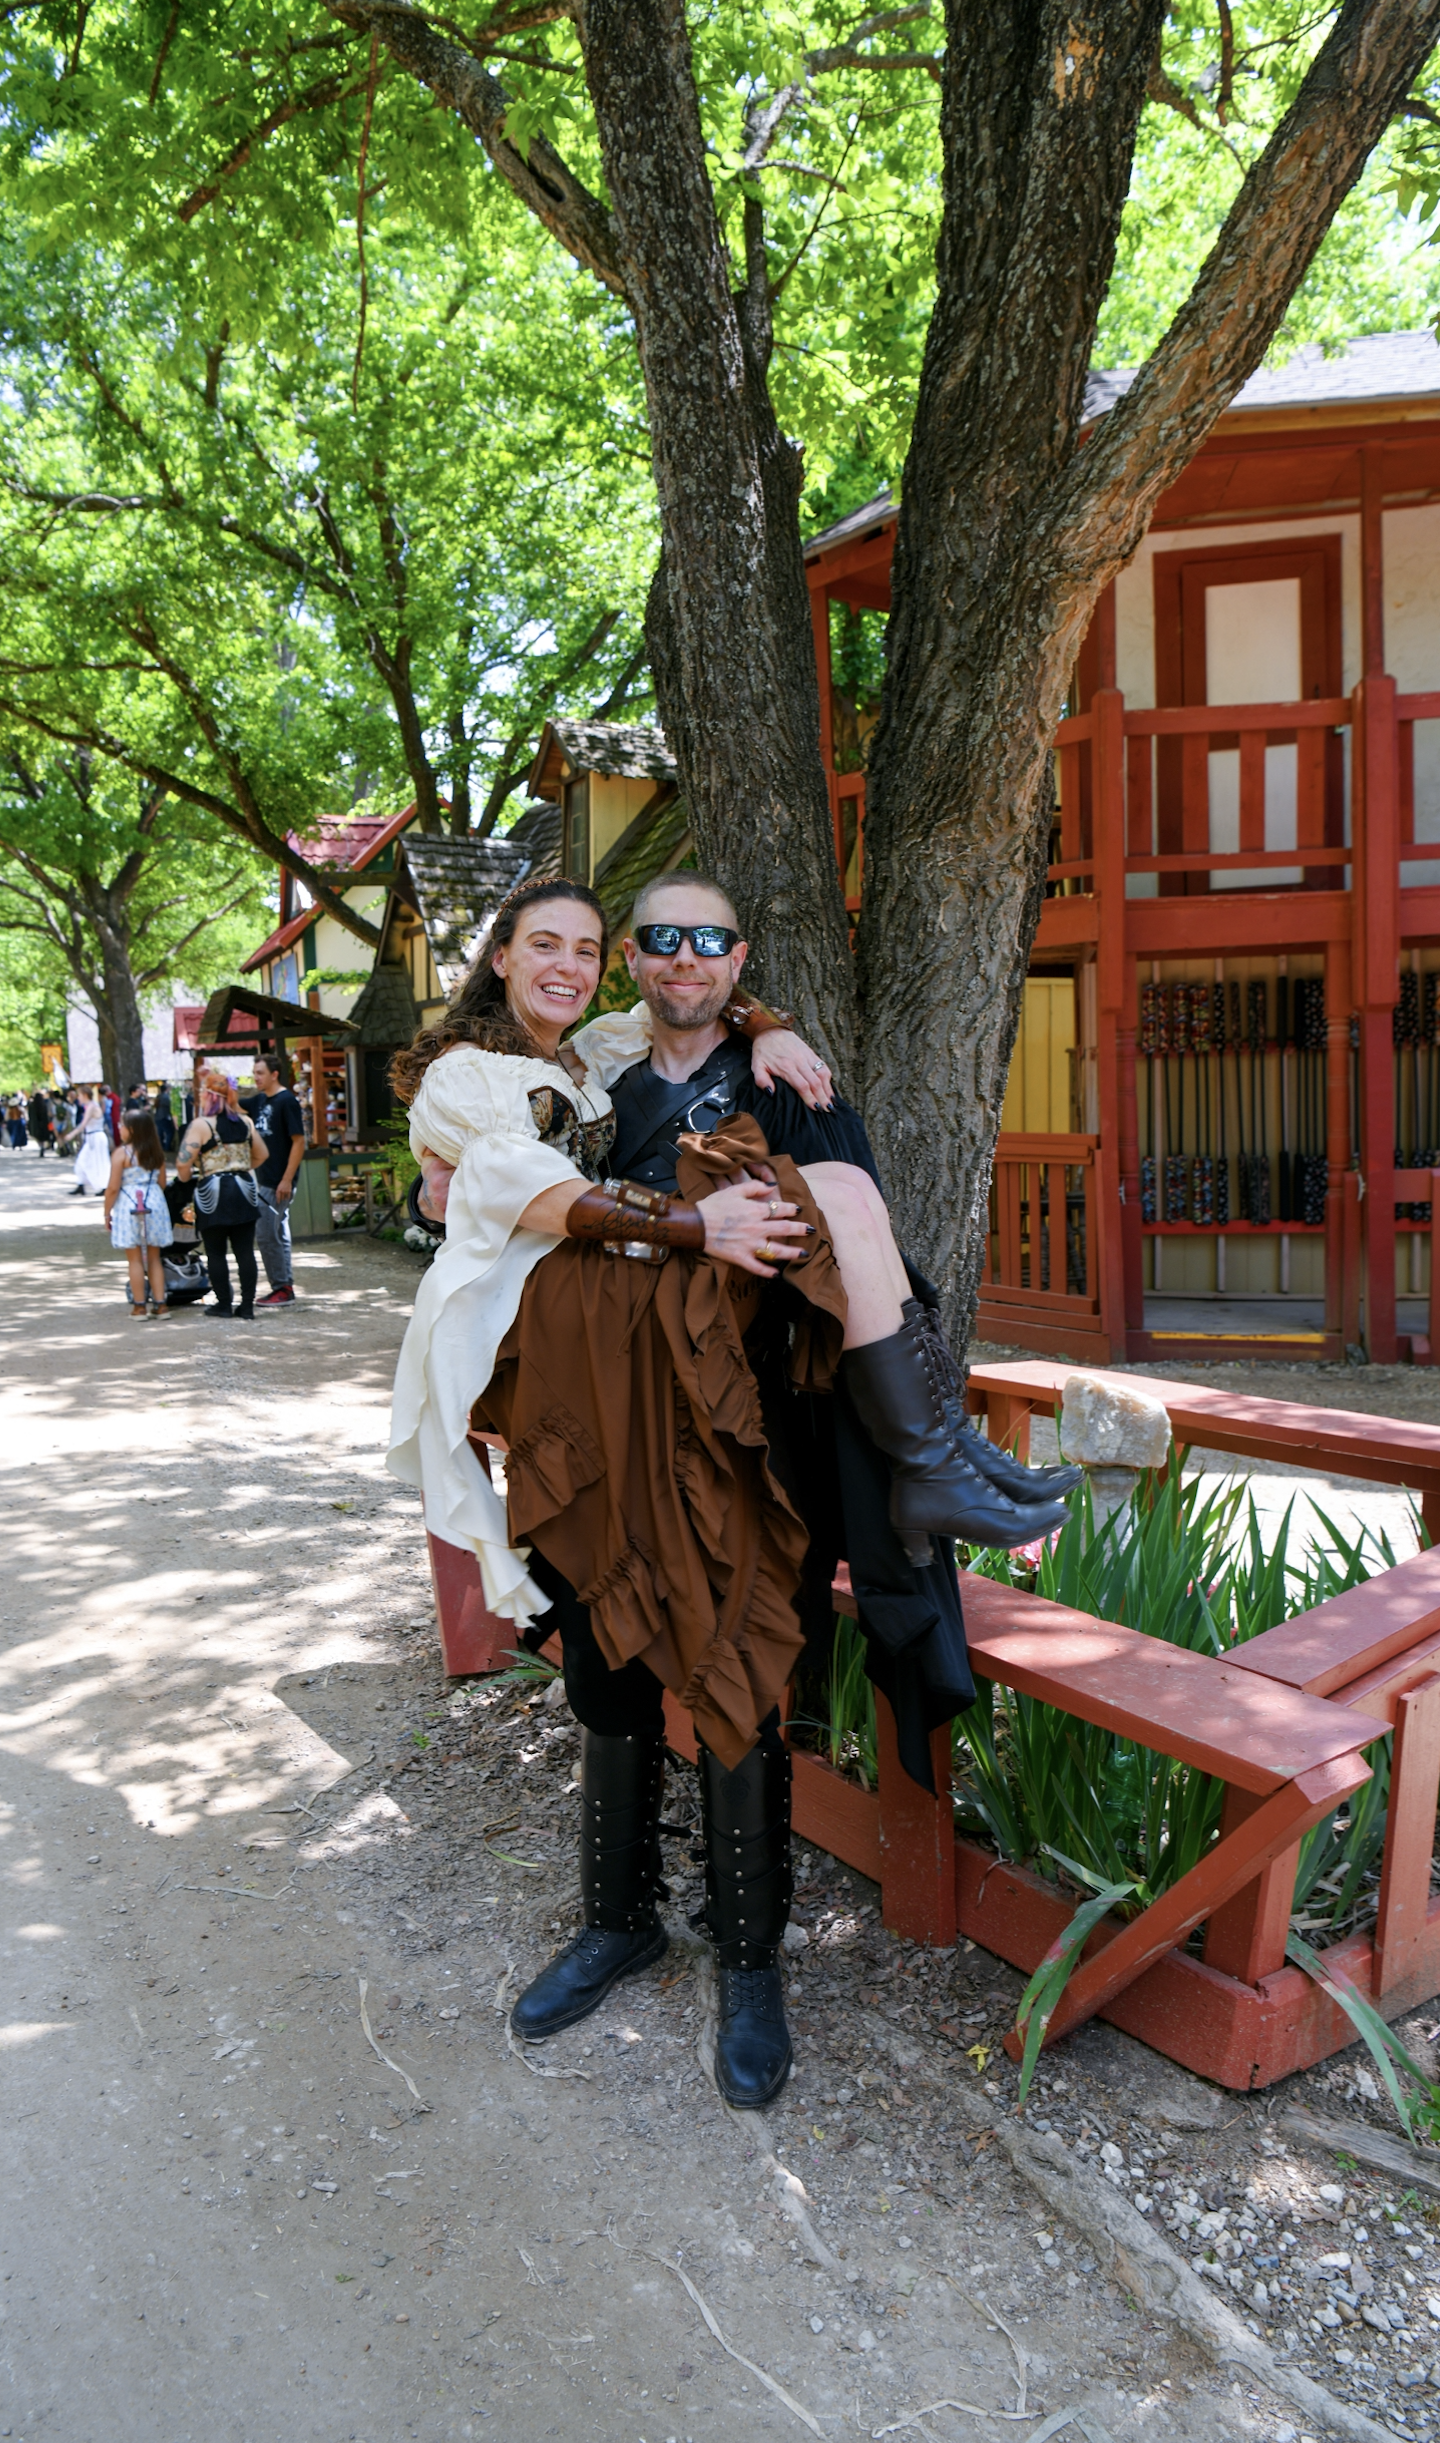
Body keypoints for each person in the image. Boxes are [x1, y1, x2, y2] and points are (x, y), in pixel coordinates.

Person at [396, 877, 1076, 2108]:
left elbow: (857, 1260)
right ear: (629, 967)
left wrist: (767, 1027)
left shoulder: (782, 1080)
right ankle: (619, 1920)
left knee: (741, 1672)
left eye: (708, 941)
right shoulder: (595, 1079)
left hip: (747, 1440)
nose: (680, 958)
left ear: (736, 958)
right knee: (605, 1659)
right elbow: (479, 1200)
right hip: (595, 1427)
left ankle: (751, 1960)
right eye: (653, 940)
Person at [176, 1068, 268, 1320]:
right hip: (244, 1189)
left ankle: (224, 1304)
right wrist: (239, 1167)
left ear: (208, 1096)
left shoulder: (201, 1125)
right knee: (245, 1251)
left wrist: (188, 1182)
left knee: (216, 1251)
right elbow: (262, 1154)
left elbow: (183, 1163)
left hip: (212, 1193)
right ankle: (247, 1305)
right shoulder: (246, 1122)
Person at [246, 1051, 305, 1306]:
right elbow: (230, 1103)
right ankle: (283, 1286)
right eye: (254, 1073)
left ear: (274, 1074)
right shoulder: (259, 1100)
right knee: (275, 1233)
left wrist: (287, 1179)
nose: (256, 1078)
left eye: (260, 1073)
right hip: (264, 1179)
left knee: (268, 1234)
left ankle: (282, 1288)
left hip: (278, 1181)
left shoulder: (286, 1101)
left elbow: (299, 1141)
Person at [104, 1106, 174, 1317]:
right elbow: (162, 1182)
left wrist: (107, 1212)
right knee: (154, 1256)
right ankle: (161, 1304)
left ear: (131, 1130)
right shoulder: (156, 1153)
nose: (119, 1128)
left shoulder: (122, 1154)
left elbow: (113, 1187)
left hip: (129, 1202)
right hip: (154, 1200)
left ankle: (139, 1305)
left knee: (134, 1258)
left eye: (122, 1125)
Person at [68, 1089, 113, 1197]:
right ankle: (81, 1185)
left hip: (96, 1137)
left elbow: (83, 1124)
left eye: (79, 1095)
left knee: (100, 1163)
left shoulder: (92, 1106)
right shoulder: (90, 1106)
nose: (78, 1097)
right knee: (82, 1161)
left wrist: (71, 1135)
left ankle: (104, 1186)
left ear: (85, 1095)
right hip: (91, 1137)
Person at [29, 1086, 55, 1156]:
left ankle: (41, 1146)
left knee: (37, 1137)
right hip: (43, 1124)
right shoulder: (44, 1105)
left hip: (35, 1124)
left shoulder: (32, 1106)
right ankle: (43, 1146)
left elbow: (30, 1116)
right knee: (43, 1137)